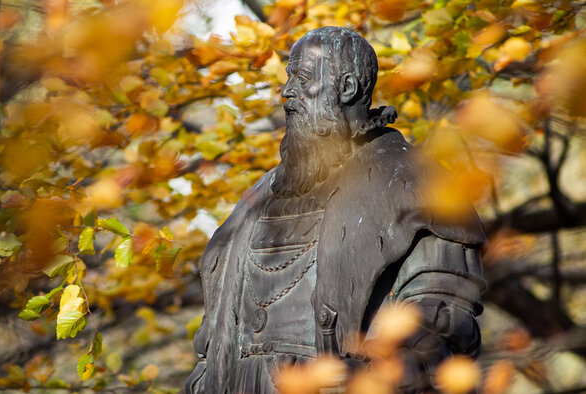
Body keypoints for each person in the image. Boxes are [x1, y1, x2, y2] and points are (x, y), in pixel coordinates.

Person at [185, 26, 486, 393]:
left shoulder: (417, 185)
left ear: (347, 89)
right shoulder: (256, 200)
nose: (287, 92)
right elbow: (211, 348)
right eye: (288, 79)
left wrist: (369, 376)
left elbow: (441, 320)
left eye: (304, 78)